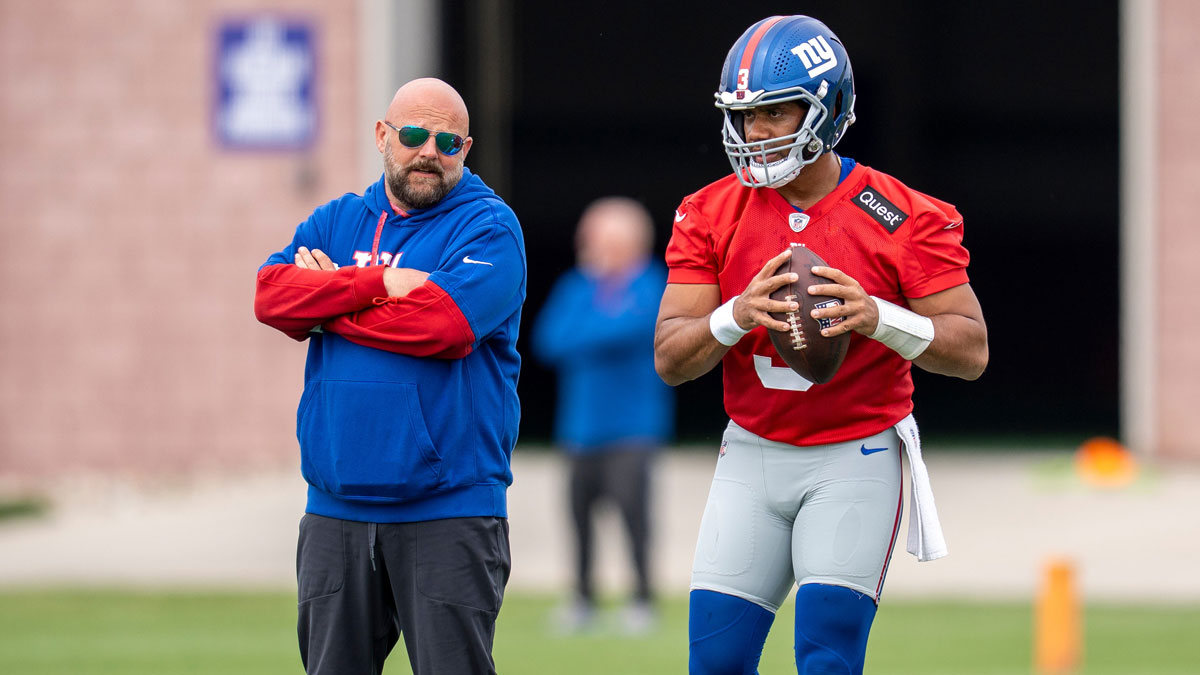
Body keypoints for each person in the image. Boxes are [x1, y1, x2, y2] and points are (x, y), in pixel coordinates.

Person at [653, 16, 988, 675]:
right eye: (745, 116)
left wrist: (877, 317)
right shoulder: (708, 211)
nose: (756, 133)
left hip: (855, 453)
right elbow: (669, 356)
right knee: (715, 662)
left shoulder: (903, 214)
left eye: (776, 113)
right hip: (751, 451)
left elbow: (971, 350)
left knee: (827, 659)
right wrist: (736, 314)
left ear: (828, 110)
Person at [254, 78, 526, 675]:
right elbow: (271, 297)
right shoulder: (337, 220)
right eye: (413, 135)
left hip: (448, 508)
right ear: (382, 136)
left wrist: (325, 304)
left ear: (466, 148)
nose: (429, 150)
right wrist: (375, 285)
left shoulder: (489, 228)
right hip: (336, 511)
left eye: (447, 141)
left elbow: (444, 326)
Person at [531, 197, 674, 634]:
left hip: (633, 428)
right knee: (578, 518)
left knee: (635, 517)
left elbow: (639, 326)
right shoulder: (577, 286)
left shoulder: (653, 284)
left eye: (597, 238)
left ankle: (642, 599)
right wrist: (601, 327)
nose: (586, 245)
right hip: (579, 428)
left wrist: (588, 332)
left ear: (627, 242)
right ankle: (581, 598)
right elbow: (547, 340)